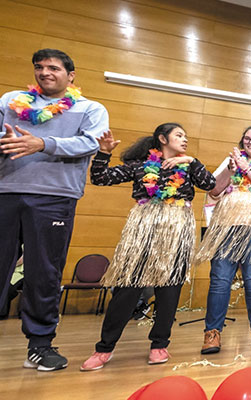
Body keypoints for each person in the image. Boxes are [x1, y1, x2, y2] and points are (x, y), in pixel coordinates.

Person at [0, 48, 109, 371]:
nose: (45, 72)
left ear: (70, 76)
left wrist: (42, 143)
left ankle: (40, 344)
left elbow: (91, 142)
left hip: (54, 197)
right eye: (39, 67)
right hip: (6, 192)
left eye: (53, 67)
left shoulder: (90, 108)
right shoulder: (11, 101)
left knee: (43, 272)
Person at [80, 124, 215, 370]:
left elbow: (210, 184)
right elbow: (100, 178)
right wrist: (104, 153)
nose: (185, 139)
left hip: (177, 231)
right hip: (144, 229)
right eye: (179, 135)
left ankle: (159, 345)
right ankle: (104, 348)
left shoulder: (188, 167)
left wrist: (192, 161)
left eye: (185, 136)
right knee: (128, 288)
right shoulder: (141, 166)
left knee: (170, 289)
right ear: (162, 139)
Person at [197, 125, 251, 354]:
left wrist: (247, 169)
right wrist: (230, 169)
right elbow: (214, 190)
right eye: (247, 138)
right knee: (220, 279)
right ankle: (212, 334)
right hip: (226, 227)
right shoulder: (229, 161)